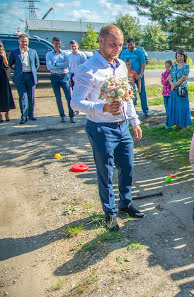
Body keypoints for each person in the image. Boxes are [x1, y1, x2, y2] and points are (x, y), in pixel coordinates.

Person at [70, 24, 144, 232]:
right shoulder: (88, 68)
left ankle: (125, 204)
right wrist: (102, 106)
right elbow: (75, 103)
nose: (117, 49)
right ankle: (110, 213)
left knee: (128, 167)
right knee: (106, 172)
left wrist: (134, 121)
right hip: (101, 128)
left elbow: (126, 96)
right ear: (101, 41)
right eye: (113, 44)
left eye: (120, 45)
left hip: (122, 127)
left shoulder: (121, 65)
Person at [9, 34, 39, 124]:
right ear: (19, 41)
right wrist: (16, 68)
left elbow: (36, 64)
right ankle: (23, 116)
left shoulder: (33, 51)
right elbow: (11, 64)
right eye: (23, 41)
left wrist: (32, 71)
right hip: (20, 77)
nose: (25, 43)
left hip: (30, 77)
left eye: (26, 41)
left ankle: (31, 114)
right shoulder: (14, 52)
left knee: (31, 96)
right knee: (22, 97)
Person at [46, 37, 76, 123]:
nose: (58, 45)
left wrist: (56, 64)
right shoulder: (49, 54)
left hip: (64, 76)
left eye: (59, 43)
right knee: (58, 97)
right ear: (53, 44)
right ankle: (62, 115)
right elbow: (49, 66)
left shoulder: (65, 54)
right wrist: (61, 65)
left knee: (68, 97)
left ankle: (71, 115)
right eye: (56, 44)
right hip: (54, 77)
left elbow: (67, 64)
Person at [120, 38, 149, 117]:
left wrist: (141, 74)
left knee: (142, 91)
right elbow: (121, 65)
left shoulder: (139, 52)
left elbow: (143, 64)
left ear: (134, 44)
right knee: (129, 94)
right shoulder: (123, 53)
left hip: (138, 76)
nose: (130, 46)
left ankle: (145, 110)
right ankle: (130, 111)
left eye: (131, 44)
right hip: (128, 76)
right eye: (128, 45)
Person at [166, 50, 192, 129]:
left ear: (184, 57)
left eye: (181, 56)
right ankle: (177, 124)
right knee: (175, 107)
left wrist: (175, 84)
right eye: (178, 56)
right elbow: (170, 76)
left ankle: (184, 126)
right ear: (176, 57)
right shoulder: (173, 66)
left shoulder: (186, 66)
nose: (179, 58)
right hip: (173, 89)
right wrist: (171, 84)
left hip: (181, 90)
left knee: (182, 107)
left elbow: (183, 78)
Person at [0, 41, 15, 122]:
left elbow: (6, 64)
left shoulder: (2, 51)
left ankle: (7, 113)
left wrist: (3, 55)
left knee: (5, 93)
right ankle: (0, 115)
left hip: (2, 74)